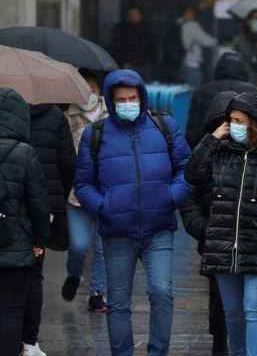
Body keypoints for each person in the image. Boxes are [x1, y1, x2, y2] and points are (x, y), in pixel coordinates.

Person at [74, 69, 192, 356]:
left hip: (158, 227)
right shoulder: (96, 134)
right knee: (117, 303)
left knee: (162, 292)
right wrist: (103, 206)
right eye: (121, 99)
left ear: (141, 96)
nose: (128, 103)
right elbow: (83, 184)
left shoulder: (164, 126)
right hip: (117, 232)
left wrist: (170, 197)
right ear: (112, 102)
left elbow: (186, 170)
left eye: (132, 97)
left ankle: (157, 352)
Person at [185, 92, 257, 356]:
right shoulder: (219, 151)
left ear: (255, 122)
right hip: (223, 245)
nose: (235, 125)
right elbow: (192, 174)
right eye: (231, 120)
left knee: (255, 308)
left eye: (240, 120)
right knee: (233, 312)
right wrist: (211, 139)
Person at [180, 91, 238, 356]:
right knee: (218, 297)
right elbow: (190, 185)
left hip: (247, 237)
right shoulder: (205, 151)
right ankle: (220, 342)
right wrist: (203, 228)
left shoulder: (255, 151)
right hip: (214, 238)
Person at [22, 102, 75, 356]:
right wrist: (58, 199)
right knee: (34, 275)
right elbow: (68, 165)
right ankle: (30, 341)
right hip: (45, 207)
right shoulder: (55, 116)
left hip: (7, 205)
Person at [0, 88, 49, 356]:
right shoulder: (26, 154)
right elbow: (39, 205)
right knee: (10, 311)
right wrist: (40, 242)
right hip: (16, 245)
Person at [63, 71, 109, 312]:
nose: (89, 93)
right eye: (84, 88)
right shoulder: (67, 116)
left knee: (102, 248)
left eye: (93, 88)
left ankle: (97, 294)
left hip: (105, 192)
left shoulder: (110, 115)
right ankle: (73, 273)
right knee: (79, 245)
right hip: (77, 193)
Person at [186, 52, 257, 149]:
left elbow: (193, 131)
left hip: (210, 149)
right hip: (245, 151)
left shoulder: (202, 92)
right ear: (243, 69)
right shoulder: (253, 91)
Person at [110, 6, 157, 81]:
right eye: (131, 14)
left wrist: (151, 61)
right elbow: (117, 47)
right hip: (128, 64)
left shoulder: (147, 29)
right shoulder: (121, 29)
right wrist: (123, 62)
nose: (134, 16)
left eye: (136, 14)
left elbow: (153, 46)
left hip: (145, 65)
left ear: (141, 15)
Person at [180, 5, 217, 88]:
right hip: (193, 63)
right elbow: (205, 40)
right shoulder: (192, 26)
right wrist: (217, 41)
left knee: (187, 89)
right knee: (194, 90)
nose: (191, 15)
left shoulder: (182, 25)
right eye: (189, 13)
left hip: (185, 63)